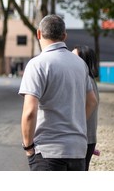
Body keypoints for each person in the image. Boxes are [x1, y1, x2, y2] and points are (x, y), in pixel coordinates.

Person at [18, 14, 97, 171]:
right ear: (64, 36)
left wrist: (28, 148)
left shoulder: (37, 65)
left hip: (48, 152)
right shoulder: (80, 64)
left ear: (39, 34)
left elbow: (29, 112)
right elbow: (92, 100)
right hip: (78, 150)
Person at [72, 45, 100, 171]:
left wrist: (77, 125)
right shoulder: (89, 79)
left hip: (83, 138)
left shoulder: (85, 80)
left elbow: (92, 103)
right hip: (86, 138)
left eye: (74, 57)